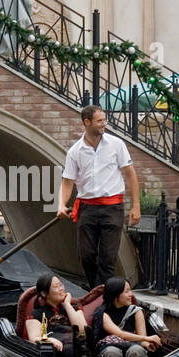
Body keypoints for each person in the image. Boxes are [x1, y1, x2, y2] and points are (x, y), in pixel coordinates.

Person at [56, 105, 140, 289]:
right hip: (87, 208)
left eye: (104, 120)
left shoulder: (116, 145)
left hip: (112, 208)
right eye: (100, 121)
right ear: (87, 122)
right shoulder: (75, 152)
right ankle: (98, 291)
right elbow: (68, 181)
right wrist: (61, 204)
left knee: (108, 257)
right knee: (85, 255)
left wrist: (136, 206)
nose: (104, 124)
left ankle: (100, 296)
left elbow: (130, 174)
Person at [90, 276, 161, 357]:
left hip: (132, 345)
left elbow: (142, 339)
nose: (131, 294)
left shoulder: (136, 311)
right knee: (112, 352)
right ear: (116, 295)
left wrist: (147, 345)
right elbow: (120, 334)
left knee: (137, 351)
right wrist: (147, 338)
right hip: (109, 346)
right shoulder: (102, 314)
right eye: (126, 291)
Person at [22, 273, 87, 357]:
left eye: (61, 285)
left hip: (79, 345)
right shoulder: (37, 314)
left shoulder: (73, 307)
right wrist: (50, 340)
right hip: (61, 350)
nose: (61, 289)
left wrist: (67, 305)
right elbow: (33, 338)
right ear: (44, 293)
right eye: (56, 287)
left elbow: (82, 330)